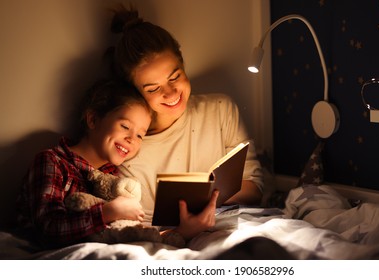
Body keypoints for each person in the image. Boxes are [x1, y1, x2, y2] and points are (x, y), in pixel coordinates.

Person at [109, 5, 264, 241]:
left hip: (231, 226)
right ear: (136, 92)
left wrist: (209, 198)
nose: (171, 93)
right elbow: (143, 232)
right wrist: (184, 230)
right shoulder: (130, 148)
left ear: (183, 64)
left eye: (175, 77)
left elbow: (254, 188)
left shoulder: (220, 109)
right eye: (154, 88)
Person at [15, 79, 155, 248]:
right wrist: (106, 213)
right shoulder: (51, 162)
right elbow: (48, 229)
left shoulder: (113, 179)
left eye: (140, 135)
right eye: (125, 126)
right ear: (93, 120)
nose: (132, 139)